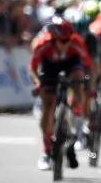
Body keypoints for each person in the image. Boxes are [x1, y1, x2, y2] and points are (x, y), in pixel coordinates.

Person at [29, 16, 91, 170]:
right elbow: (33, 67)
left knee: (78, 81)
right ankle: (46, 151)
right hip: (50, 67)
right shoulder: (43, 44)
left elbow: (87, 65)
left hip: (71, 64)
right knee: (48, 106)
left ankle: (78, 123)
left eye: (69, 40)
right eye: (63, 41)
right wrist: (37, 83)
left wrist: (85, 84)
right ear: (54, 38)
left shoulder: (76, 42)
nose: (67, 43)